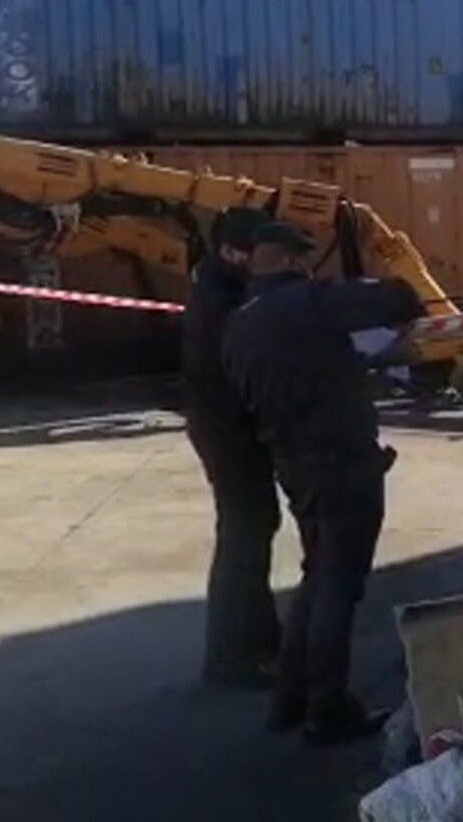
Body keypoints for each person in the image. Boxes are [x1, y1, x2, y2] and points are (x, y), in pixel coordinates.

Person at [222, 221, 427, 747]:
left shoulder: (238, 324)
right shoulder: (310, 303)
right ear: (291, 262)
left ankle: (288, 700)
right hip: (342, 465)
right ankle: (327, 709)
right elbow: (400, 298)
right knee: (338, 587)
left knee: (316, 581)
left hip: (293, 466)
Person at [183, 207, 282, 690]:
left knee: (255, 527)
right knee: (244, 536)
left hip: (227, 429)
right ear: (234, 251)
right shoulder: (224, 300)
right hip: (228, 433)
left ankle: (259, 644)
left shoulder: (219, 283)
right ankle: (231, 656)